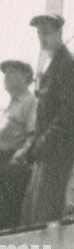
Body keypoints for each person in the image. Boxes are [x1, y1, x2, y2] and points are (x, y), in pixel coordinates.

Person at [18, 15, 74, 227]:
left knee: (45, 216)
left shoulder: (69, 65)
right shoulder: (52, 65)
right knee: (32, 214)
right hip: (47, 150)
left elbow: (67, 114)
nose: (42, 38)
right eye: (39, 33)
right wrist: (33, 148)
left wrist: (41, 145)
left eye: (46, 32)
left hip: (59, 149)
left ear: (58, 32)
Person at [0, 59, 36, 230]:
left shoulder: (30, 101)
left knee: (10, 212)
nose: (6, 77)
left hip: (14, 162)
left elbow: (33, 135)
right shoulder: (8, 106)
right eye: (5, 73)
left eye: (12, 72)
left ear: (25, 76)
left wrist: (20, 155)